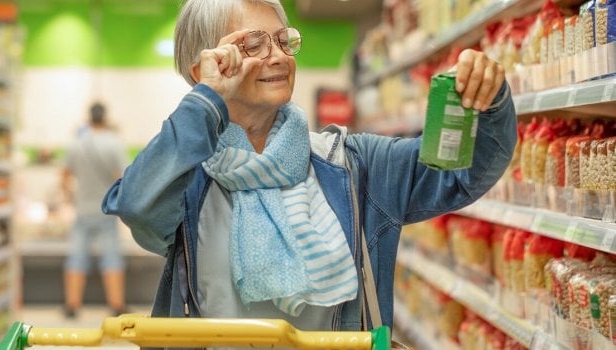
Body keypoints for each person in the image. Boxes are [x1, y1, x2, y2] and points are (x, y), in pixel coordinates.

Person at [102, 0, 515, 341]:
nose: (278, 56)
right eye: (253, 44)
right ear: (206, 69)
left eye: (283, 41)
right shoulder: (186, 181)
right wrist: (206, 101)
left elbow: (464, 173)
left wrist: (489, 97)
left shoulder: (354, 165)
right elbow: (137, 207)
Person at [62, 102, 128, 318]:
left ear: (89, 118)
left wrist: (72, 198)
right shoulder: (115, 143)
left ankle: (72, 306)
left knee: (76, 257)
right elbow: (122, 178)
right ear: (105, 118)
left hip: (82, 210)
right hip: (106, 210)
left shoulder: (77, 143)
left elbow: (64, 177)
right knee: (111, 258)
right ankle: (116, 305)